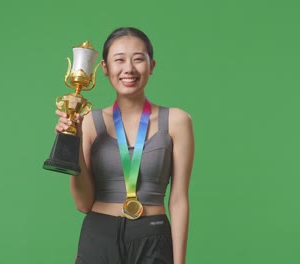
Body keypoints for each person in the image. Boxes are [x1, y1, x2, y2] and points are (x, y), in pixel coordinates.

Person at [54, 27, 195, 264]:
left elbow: (179, 199)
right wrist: (73, 140)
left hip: (152, 236)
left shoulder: (177, 121)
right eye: (119, 60)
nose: (128, 68)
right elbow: (82, 203)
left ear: (151, 66)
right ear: (106, 69)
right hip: (99, 235)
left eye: (138, 59)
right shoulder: (88, 121)